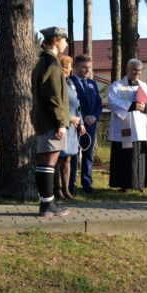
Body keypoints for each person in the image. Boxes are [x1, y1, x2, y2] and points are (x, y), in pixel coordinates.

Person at [31, 26, 71, 217]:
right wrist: (61, 123)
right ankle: (47, 204)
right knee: (48, 162)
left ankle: (46, 202)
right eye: (64, 39)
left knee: (44, 163)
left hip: (43, 120)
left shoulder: (43, 61)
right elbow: (54, 96)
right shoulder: (52, 64)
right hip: (51, 121)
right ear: (56, 40)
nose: (66, 43)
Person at [108, 59, 147, 192]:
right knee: (124, 157)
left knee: (140, 156)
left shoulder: (143, 86)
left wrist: (146, 106)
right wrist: (132, 105)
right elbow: (112, 102)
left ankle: (140, 184)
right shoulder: (117, 85)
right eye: (134, 70)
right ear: (127, 69)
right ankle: (124, 185)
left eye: (139, 70)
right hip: (124, 128)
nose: (137, 72)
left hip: (141, 128)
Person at [69, 54, 102, 195]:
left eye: (89, 67)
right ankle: (71, 183)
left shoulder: (92, 83)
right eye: (84, 67)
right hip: (75, 124)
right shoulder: (69, 82)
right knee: (74, 154)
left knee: (88, 154)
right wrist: (83, 118)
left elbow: (98, 103)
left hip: (91, 124)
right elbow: (71, 105)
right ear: (76, 67)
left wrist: (93, 117)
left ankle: (87, 183)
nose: (87, 70)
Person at [55, 55, 85, 199]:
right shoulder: (57, 84)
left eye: (70, 66)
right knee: (58, 159)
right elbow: (57, 106)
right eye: (67, 67)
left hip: (73, 127)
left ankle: (66, 189)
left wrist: (81, 123)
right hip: (61, 125)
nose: (70, 69)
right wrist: (70, 118)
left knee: (67, 158)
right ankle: (56, 190)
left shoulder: (70, 83)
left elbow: (77, 104)